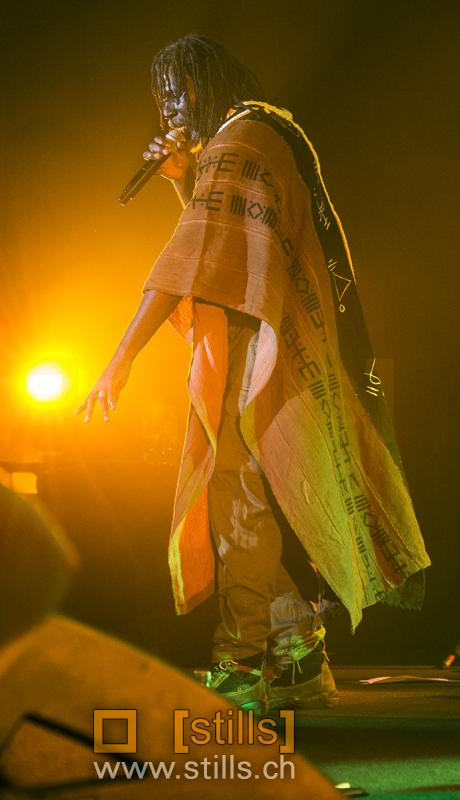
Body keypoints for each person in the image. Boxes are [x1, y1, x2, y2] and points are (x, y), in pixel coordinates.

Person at [77, 35, 430, 712]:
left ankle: (238, 663)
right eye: (160, 97)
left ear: (210, 83)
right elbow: (226, 247)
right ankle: (297, 648)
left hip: (253, 341)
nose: (168, 107)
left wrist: (122, 356)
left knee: (235, 498)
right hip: (263, 337)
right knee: (237, 498)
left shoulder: (241, 139)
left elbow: (193, 260)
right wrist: (183, 178)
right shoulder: (258, 134)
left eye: (178, 91)